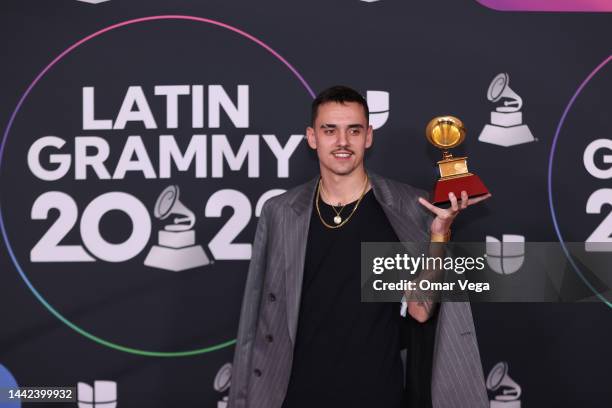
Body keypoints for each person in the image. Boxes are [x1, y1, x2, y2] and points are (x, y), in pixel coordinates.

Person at [228, 85, 491, 408]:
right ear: (312, 138)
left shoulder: (408, 207)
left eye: (353, 131)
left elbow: (421, 310)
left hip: (377, 393)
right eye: (330, 130)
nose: (342, 142)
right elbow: (254, 316)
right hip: (295, 395)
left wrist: (439, 235)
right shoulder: (281, 212)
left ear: (368, 136)